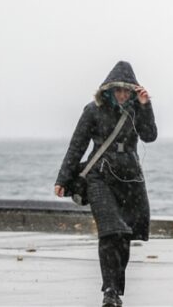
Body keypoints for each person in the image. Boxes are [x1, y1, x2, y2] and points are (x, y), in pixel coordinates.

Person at [55, 61, 157, 307]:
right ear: (108, 90)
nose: (122, 94)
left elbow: (149, 135)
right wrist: (63, 178)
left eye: (126, 90)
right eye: (117, 90)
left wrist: (146, 106)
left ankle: (116, 289)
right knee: (110, 230)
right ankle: (109, 290)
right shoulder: (93, 110)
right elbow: (77, 144)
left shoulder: (136, 110)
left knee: (124, 234)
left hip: (130, 178)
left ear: (132, 91)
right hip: (99, 176)